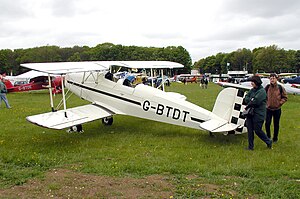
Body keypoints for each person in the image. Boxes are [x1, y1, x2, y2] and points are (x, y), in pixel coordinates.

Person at [243, 76, 272, 150]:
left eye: (253, 81)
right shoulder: (252, 90)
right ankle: (250, 147)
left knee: (257, 130)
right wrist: (251, 100)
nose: (251, 83)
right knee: (250, 130)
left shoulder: (262, 91)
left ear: (257, 82)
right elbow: (246, 98)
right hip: (250, 113)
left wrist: (251, 100)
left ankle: (268, 141)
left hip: (258, 114)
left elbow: (255, 101)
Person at [265, 73, 288, 143]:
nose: (272, 80)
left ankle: (275, 138)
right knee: (267, 123)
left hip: (277, 109)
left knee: (276, 124)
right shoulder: (267, 87)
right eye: (271, 78)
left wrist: (280, 103)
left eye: (273, 78)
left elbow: (285, 97)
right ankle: (268, 137)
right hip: (268, 109)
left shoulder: (280, 87)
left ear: (276, 79)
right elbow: (263, 96)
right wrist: (266, 103)